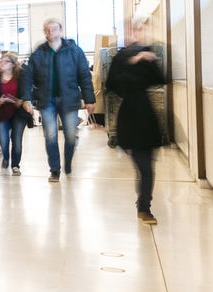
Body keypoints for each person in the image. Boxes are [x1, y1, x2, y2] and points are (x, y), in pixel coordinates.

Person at [106, 20, 166, 223]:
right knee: (142, 167)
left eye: (143, 30)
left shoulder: (148, 54)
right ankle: (143, 205)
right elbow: (112, 83)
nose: (139, 34)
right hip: (130, 115)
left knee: (147, 167)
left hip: (146, 115)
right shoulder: (121, 57)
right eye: (136, 30)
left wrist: (146, 57)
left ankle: (144, 206)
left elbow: (160, 78)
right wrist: (136, 58)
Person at [22, 18, 96, 183]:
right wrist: (26, 98)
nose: (51, 32)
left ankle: (68, 161)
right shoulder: (38, 53)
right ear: (45, 32)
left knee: (70, 135)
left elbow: (84, 75)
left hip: (68, 99)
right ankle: (54, 170)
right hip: (46, 100)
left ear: (60, 30)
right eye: (47, 30)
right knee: (50, 135)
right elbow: (27, 77)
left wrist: (89, 99)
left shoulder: (74, 51)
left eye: (54, 29)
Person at [0, 52, 28, 174]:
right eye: (1, 61)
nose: (2, 63)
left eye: (6, 61)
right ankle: (5, 156)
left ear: (13, 64)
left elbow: (28, 90)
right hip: (2, 112)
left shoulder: (21, 75)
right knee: (4, 139)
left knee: (17, 140)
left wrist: (22, 100)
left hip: (19, 113)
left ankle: (15, 165)